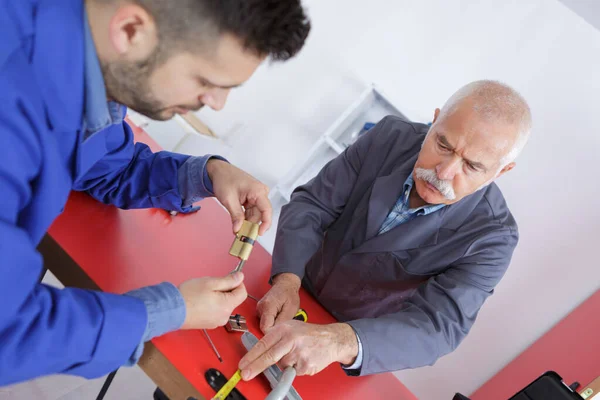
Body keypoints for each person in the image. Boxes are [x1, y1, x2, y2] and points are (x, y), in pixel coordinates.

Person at [0, 0, 310, 386]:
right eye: (207, 82)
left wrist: (210, 174)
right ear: (130, 29)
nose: (216, 103)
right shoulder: (11, 95)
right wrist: (170, 310)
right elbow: (9, 328)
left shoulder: (85, 61)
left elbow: (108, 163)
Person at [239, 80, 532, 379]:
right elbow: (314, 204)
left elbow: (438, 327)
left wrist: (340, 341)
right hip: (287, 288)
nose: (443, 172)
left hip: (349, 345)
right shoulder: (389, 136)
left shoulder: (493, 238)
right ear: (435, 120)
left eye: (471, 166)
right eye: (442, 145)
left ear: (501, 171)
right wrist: (287, 279)